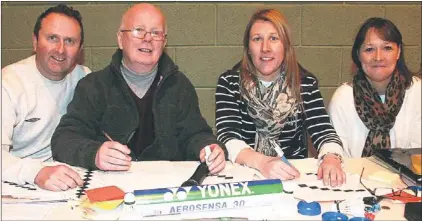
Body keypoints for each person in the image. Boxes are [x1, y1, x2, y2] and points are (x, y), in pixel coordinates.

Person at [51, 3, 227, 174]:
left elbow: (196, 134)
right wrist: (94, 154)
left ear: (164, 42)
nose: (148, 38)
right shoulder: (93, 86)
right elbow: (63, 140)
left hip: (166, 188)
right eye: (138, 31)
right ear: (120, 39)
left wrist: (208, 147)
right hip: (111, 189)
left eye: (156, 33)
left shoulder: (180, 86)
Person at [215, 8, 345, 187]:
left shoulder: (304, 83)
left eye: (274, 38)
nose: (265, 48)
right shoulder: (229, 82)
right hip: (245, 173)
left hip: (291, 175)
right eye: (257, 39)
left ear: (285, 46)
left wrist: (331, 157)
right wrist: (262, 162)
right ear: (248, 48)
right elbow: (227, 136)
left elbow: (323, 130)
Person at [2, 4, 90, 191]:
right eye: (52, 38)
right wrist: (35, 173)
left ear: (80, 49)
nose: (60, 49)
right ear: (35, 42)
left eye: (70, 41)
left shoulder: (85, 79)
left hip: (71, 180)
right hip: (20, 185)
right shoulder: (9, 84)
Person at [328, 17, 421, 158]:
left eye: (387, 48)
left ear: (399, 52)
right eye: (369, 49)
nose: (378, 57)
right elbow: (337, 157)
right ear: (358, 54)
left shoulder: (417, 91)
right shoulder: (343, 98)